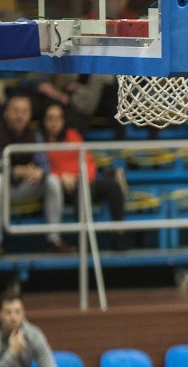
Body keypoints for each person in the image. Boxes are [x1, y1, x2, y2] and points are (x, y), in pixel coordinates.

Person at [37, 102, 127, 251]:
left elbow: (88, 161)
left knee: (113, 186)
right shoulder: (39, 141)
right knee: (81, 190)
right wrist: (61, 176)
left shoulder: (72, 135)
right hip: (62, 189)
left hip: (84, 181)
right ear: (44, 120)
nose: (54, 123)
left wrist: (82, 177)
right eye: (50, 118)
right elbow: (43, 168)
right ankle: (85, 241)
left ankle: (118, 236)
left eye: (58, 118)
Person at [0, 93, 72, 253]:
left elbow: (45, 164)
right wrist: (14, 171)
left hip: (27, 187)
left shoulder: (34, 135)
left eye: (24, 111)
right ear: (5, 113)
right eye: (15, 111)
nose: (20, 116)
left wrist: (40, 172)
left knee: (52, 180)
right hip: (4, 186)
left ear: (30, 114)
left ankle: (54, 240)